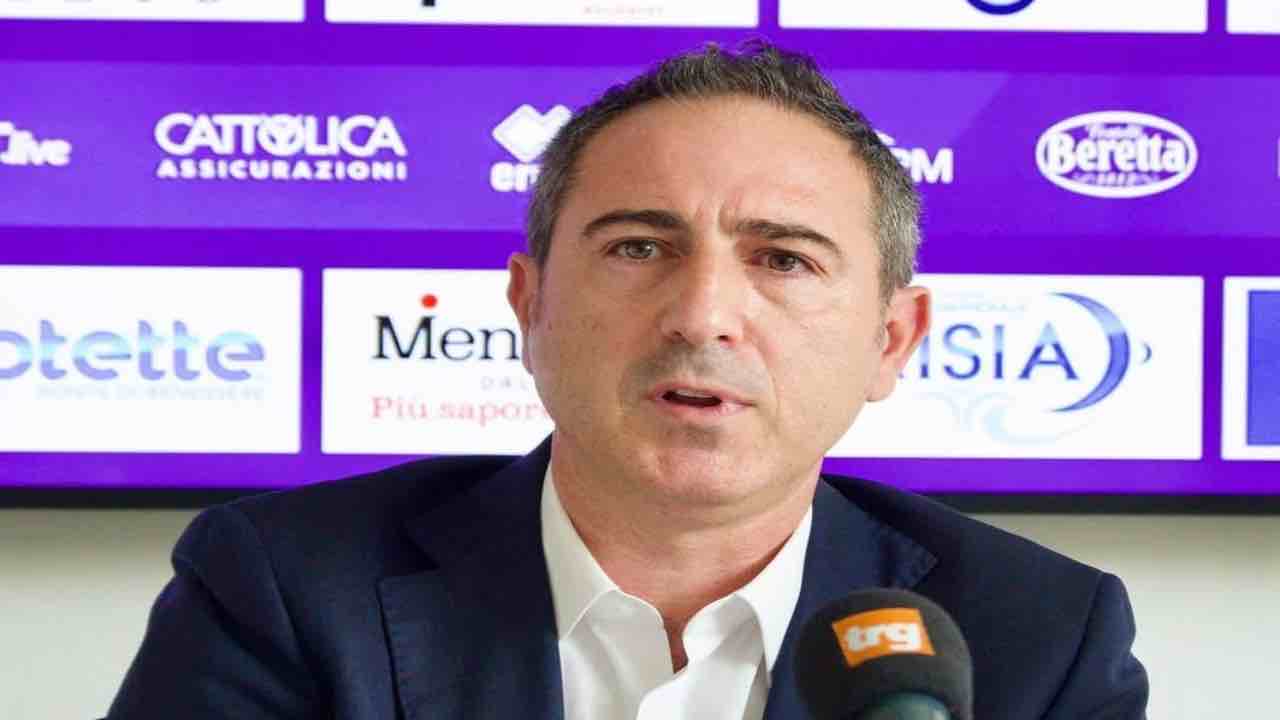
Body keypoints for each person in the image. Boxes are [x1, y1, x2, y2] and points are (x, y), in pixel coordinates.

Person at [106, 41, 1148, 719]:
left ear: (890, 340)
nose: (701, 314)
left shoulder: (1038, 638)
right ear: (530, 304)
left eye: (783, 260)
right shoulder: (284, 588)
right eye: (639, 248)